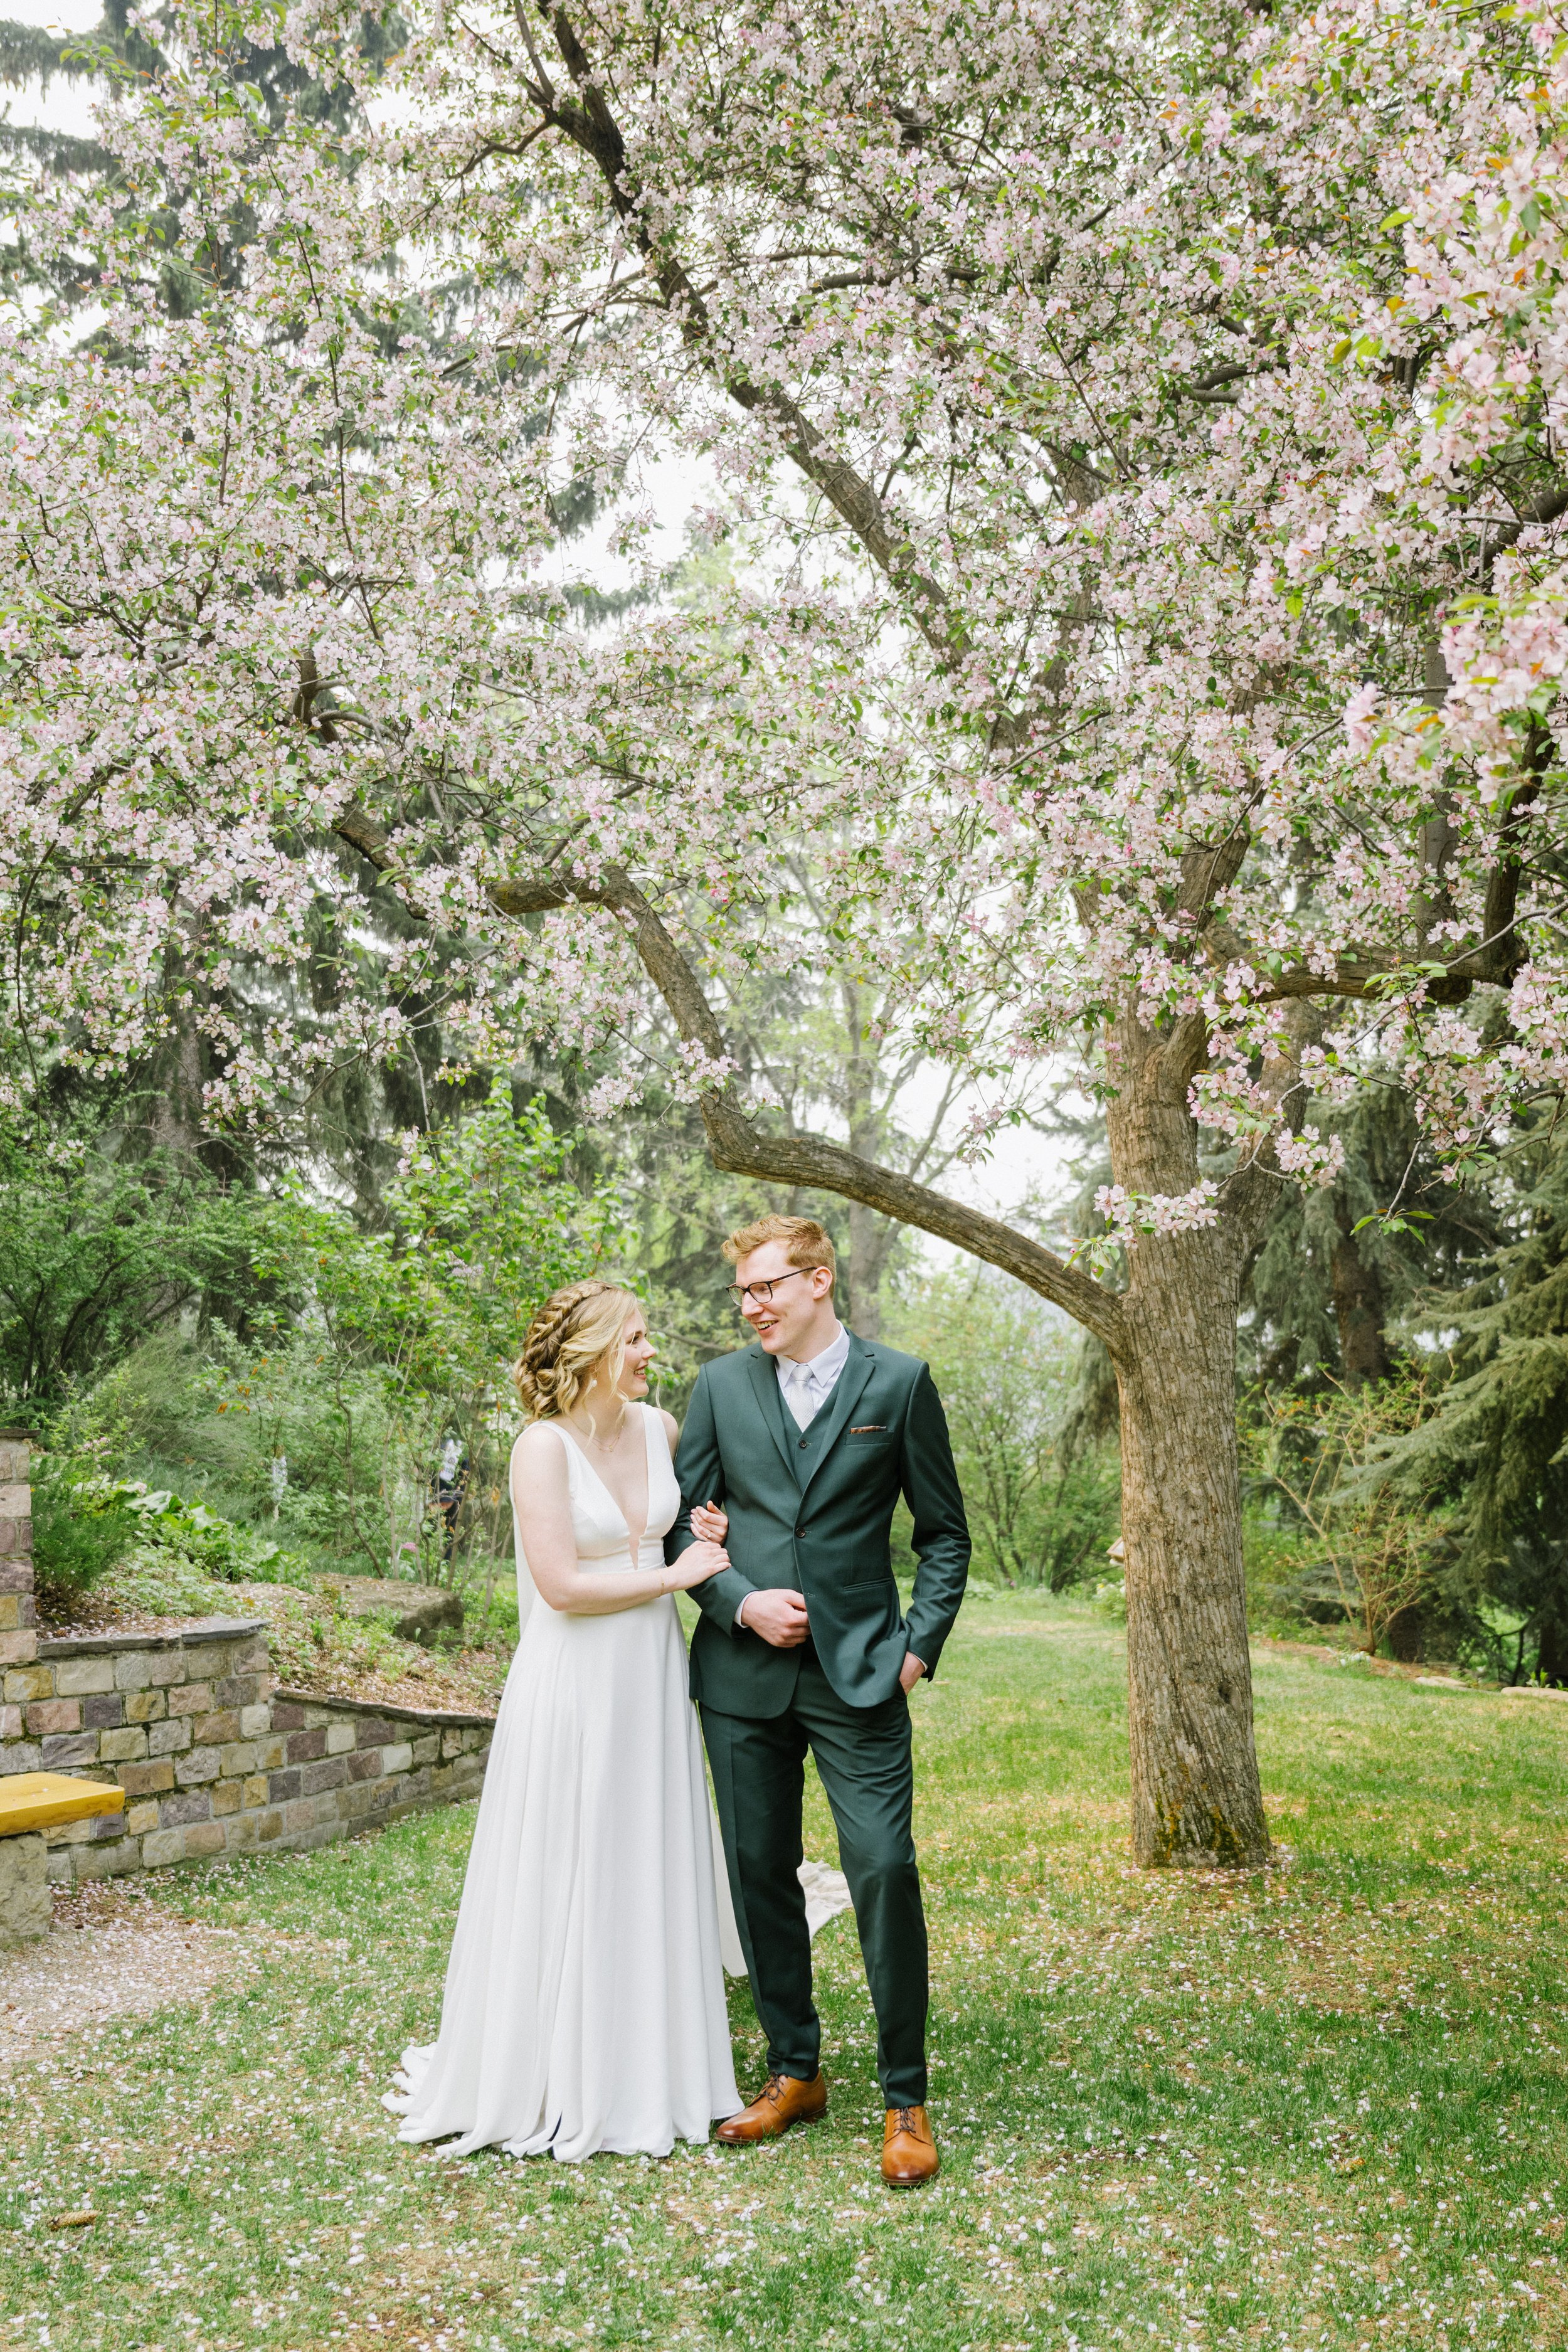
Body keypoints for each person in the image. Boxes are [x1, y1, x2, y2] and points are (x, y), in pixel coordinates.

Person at [386, 1280, 742, 2161]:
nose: (651, 1351)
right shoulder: (539, 1449)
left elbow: (687, 1529)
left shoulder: (661, 1430)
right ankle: (553, 2065)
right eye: (636, 1337)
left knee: (641, 1853)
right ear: (588, 1349)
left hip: (650, 1680)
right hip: (574, 1680)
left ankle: (650, 2059)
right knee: (571, 1854)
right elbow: (564, 1586)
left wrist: (707, 1531)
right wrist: (677, 1574)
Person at [669, 1214, 970, 2188]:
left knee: (883, 1866)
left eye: (766, 1288)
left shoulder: (899, 1382)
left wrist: (916, 1650)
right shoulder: (718, 1386)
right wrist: (736, 1598)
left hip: (862, 1674)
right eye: (743, 1294)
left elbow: (945, 1533)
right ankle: (794, 2069)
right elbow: (681, 1517)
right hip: (741, 1673)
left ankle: (905, 2096)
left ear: (819, 1281)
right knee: (760, 1872)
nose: (752, 1306)